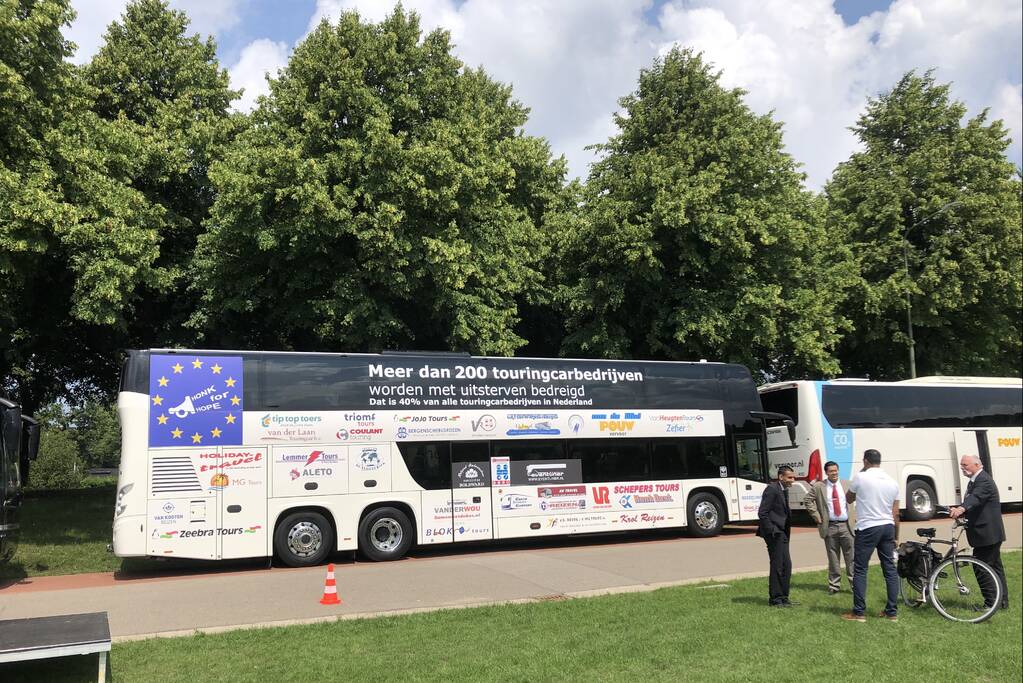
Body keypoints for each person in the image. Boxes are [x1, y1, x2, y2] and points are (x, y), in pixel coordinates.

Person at [843, 449, 900, 622]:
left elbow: (849, 498)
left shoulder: (861, 477)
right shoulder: (893, 481)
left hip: (868, 527)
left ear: (865, 461)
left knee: (860, 569)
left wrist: (861, 472)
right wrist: (896, 536)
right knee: (889, 569)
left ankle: (859, 612)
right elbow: (896, 513)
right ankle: (892, 612)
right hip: (888, 526)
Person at [950, 454, 1008, 610]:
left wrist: (962, 508)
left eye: (965, 465)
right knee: (995, 567)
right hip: (987, 533)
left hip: (987, 534)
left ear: (977, 465)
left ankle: (990, 604)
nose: (962, 468)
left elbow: (975, 498)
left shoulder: (983, 480)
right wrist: (962, 512)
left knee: (981, 567)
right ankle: (1001, 602)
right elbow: (977, 503)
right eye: (961, 465)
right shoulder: (975, 481)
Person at [803, 460, 856, 594]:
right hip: (830, 526)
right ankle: (834, 586)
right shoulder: (819, 486)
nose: (834, 473)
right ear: (826, 472)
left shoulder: (847, 484)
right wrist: (816, 515)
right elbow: (808, 500)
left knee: (852, 558)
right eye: (831, 471)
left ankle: (855, 585)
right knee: (833, 558)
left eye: (836, 470)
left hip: (846, 526)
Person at [757, 465, 796, 607]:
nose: (793, 480)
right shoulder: (772, 489)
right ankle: (775, 599)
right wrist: (772, 530)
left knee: (787, 565)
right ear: (781, 477)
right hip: (775, 534)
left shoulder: (784, 489)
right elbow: (762, 513)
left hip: (783, 533)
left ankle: (784, 597)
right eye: (790, 477)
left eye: (793, 477)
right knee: (777, 565)